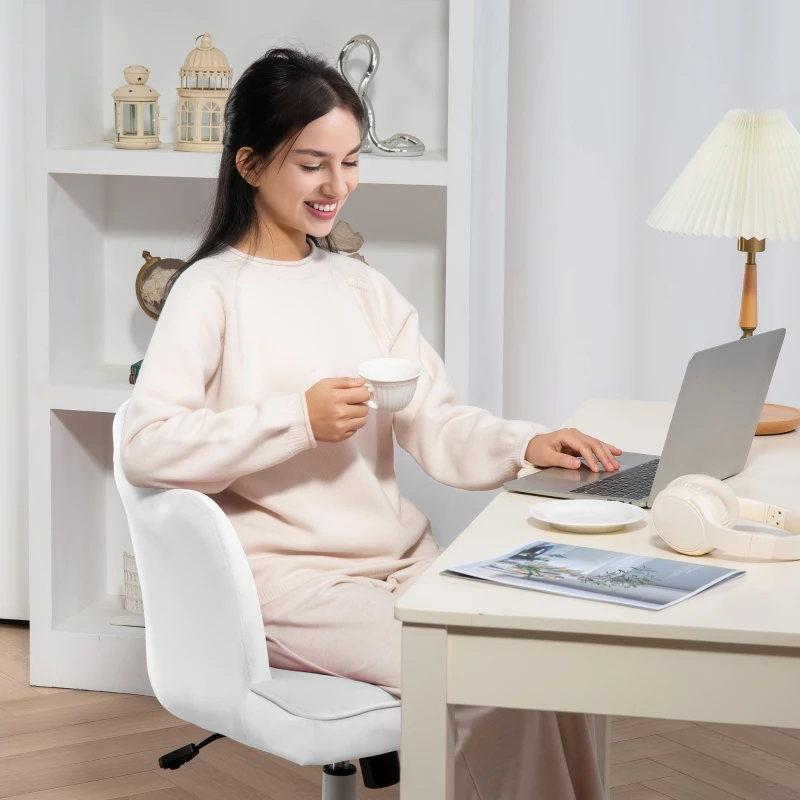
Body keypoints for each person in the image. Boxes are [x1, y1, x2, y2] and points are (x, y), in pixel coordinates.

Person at [121, 46, 622, 800]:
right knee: (485, 679)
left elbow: (437, 421)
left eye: (350, 162)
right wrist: (296, 419)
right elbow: (146, 444)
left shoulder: (364, 288)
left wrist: (523, 443)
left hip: (401, 562)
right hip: (291, 582)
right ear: (251, 164)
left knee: (545, 656)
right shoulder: (210, 292)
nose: (337, 186)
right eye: (312, 163)